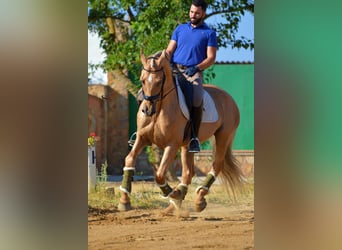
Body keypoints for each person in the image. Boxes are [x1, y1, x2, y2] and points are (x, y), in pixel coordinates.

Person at [166, 0, 217, 153]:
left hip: (193, 73)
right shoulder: (180, 29)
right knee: (151, 88)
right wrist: (162, 59)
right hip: (174, 69)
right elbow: (169, 50)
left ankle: (194, 137)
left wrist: (197, 68)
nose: (193, 15)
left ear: (203, 13)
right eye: (191, 12)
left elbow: (211, 58)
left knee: (196, 99)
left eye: (196, 13)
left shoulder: (209, 33)